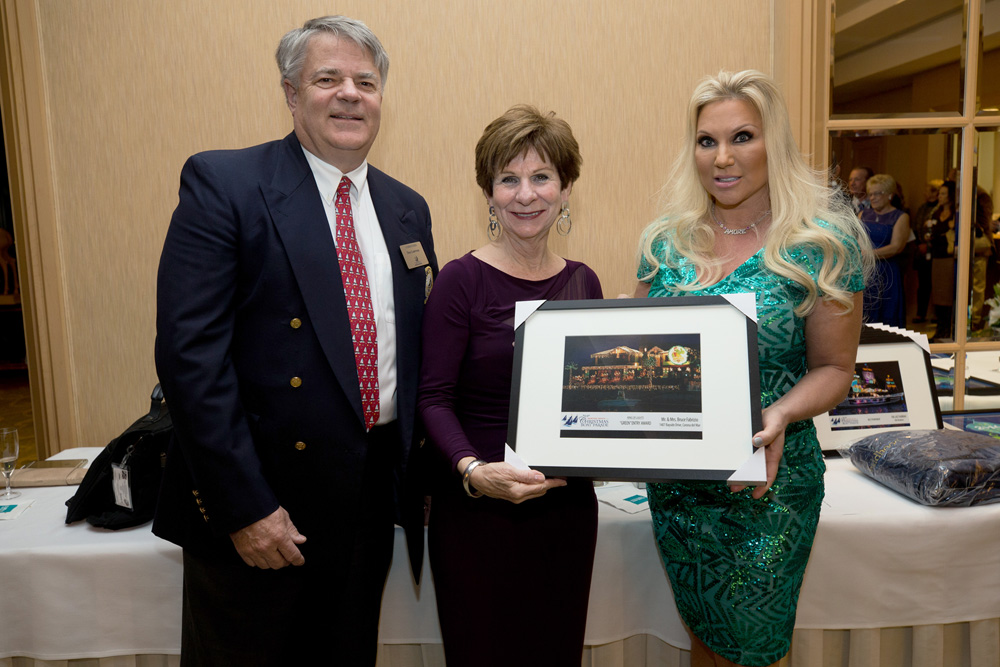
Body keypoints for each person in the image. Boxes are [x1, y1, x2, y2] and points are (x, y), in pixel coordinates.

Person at [153, 16, 436, 666]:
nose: (350, 94)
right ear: (290, 92)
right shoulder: (226, 184)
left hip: (367, 504)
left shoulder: (406, 208)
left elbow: (415, 354)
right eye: (327, 78)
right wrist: (245, 507)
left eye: (366, 82)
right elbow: (190, 360)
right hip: (264, 505)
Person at [634, 70, 870, 667]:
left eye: (742, 136)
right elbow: (640, 354)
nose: (722, 157)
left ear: (775, 143)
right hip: (679, 488)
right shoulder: (665, 242)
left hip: (770, 484)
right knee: (704, 640)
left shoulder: (822, 244)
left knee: (753, 650)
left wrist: (782, 411)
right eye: (706, 141)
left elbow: (836, 367)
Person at [418, 105, 602, 666]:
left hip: (565, 511)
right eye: (508, 179)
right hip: (477, 509)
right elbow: (433, 398)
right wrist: (473, 471)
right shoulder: (460, 280)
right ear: (489, 193)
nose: (526, 195)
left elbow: (594, 397)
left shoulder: (584, 281)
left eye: (542, 177)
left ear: (566, 190)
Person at [861, 174, 909, 327]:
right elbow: (855, 240)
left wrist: (868, 255)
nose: (872, 198)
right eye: (870, 194)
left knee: (888, 315)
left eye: (877, 193)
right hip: (865, 271)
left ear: (889, 195)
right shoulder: (863, 214)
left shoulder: (900, 217)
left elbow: (896, 247)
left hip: (887, 272)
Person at [929, 180, 958, 340]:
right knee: (938, 294)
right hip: (937, 257)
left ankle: (948, 330)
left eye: (943, 194)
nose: (939, 196)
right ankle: (940, 329)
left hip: (949, 259)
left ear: (951, 196)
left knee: (947, 295)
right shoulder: (936, 213)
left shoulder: (956, 215)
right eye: (939, 193)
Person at [912, 179, 943, 323]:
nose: (928, 194)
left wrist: (928, 245)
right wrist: (920, 244)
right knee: (922, 284)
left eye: (933, 190)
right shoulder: (922, 208)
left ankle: (936, 314)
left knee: (937, 284)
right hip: (921, 251)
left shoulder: (940, 209)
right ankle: (921, 313)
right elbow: (916, 227)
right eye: (928, 190)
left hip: (936, 252)